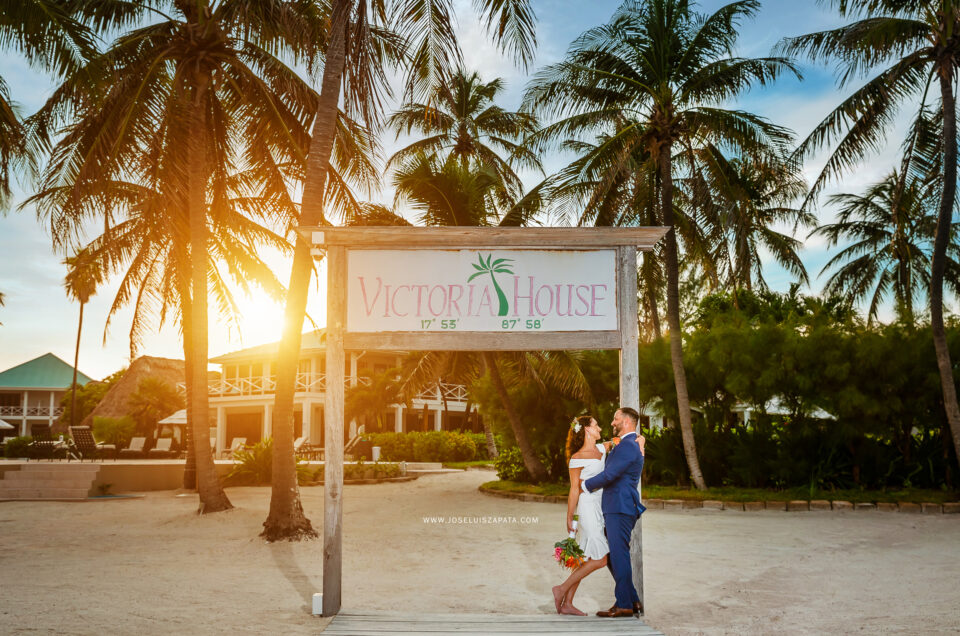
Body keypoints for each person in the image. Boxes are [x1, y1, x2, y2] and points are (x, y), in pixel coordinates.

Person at [582, 407, 646, 618]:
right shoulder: (628, 444)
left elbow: (609, 475)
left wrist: (584, 485)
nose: (612, 423)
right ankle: (633, 600)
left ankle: (624, 604)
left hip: (619, 507)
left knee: (618, 555)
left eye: (616, 419)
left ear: (627, 421)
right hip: (617, 506)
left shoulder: (628, 446)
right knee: (615, 556)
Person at [551, 415, 609, 615]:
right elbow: (574, 489)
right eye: (596, 425)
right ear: (586, 429)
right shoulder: (576, 458)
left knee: (583, 559)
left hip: (600, 507)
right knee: (601, 559)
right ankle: (561, 589)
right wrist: (569, 516)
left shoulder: (602, 449)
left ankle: (567, 604)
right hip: (586, 507)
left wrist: (639, 441)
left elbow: (621, 440)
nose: (600, 428)